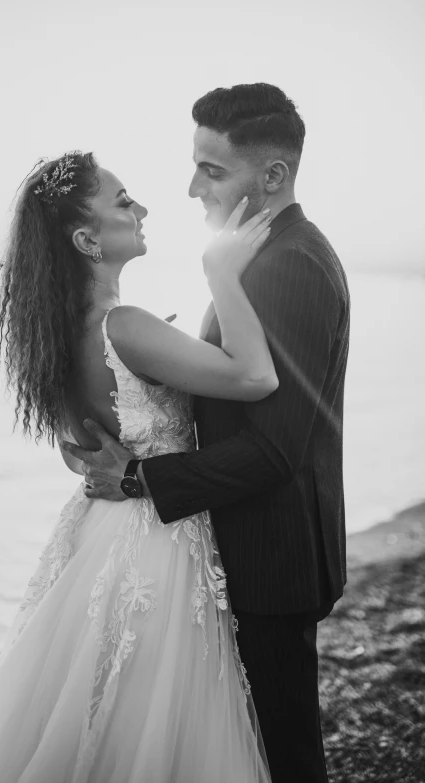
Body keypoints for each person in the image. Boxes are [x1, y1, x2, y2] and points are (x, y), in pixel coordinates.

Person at [0, 149, 276, 782]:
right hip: (155, 541)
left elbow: (89, 435)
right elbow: (255, 377)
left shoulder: (57, 335)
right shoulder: (126, 326)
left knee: (88, 716)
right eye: (123, 201)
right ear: (87, 239)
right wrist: (220, 271)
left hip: (97, 532)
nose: (140, 208)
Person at [68, 83, 351, 783]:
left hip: (271, 557)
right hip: (242, 549)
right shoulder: (253, 255)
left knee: (285, 756)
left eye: (213, 169)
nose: (192, 187)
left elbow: (275, 448)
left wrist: (137, 478)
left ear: (274, 174)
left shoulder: (290, 266)